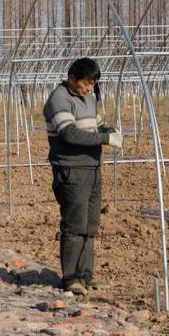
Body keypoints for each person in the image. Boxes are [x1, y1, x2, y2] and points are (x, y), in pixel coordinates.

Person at [43, 58, 123, 296]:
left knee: (90, 224)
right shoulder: (59, 99)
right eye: (86, 83)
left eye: (93, 84)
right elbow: (69, 133)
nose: (90, 88)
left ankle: (86, 274)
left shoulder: (88, 97)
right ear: (71, 78)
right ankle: (71, 278)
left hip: (92, 167)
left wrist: (107, 129)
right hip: (71, 169)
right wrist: (105, 139)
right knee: (75, 225)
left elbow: (94, 122)